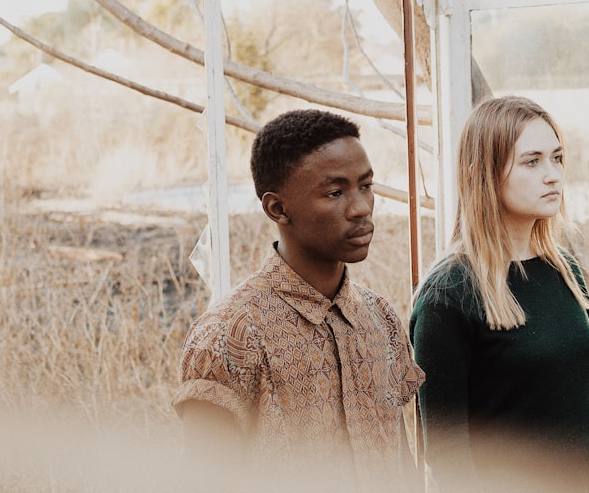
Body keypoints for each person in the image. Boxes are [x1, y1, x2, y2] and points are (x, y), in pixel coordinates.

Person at [173, 109, 424, 493]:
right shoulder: (228, 335)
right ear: (278, 209)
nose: (360, 208)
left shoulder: (380, 318)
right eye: (335, 192)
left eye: (366, 186)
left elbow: (400, 461)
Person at [409, 95, 589, 493]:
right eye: (532, 161)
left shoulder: (565, 271)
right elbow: (447, 453)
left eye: (557, 158)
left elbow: (583, 405)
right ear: (483, 174)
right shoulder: (448, 296)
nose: (553, 175)